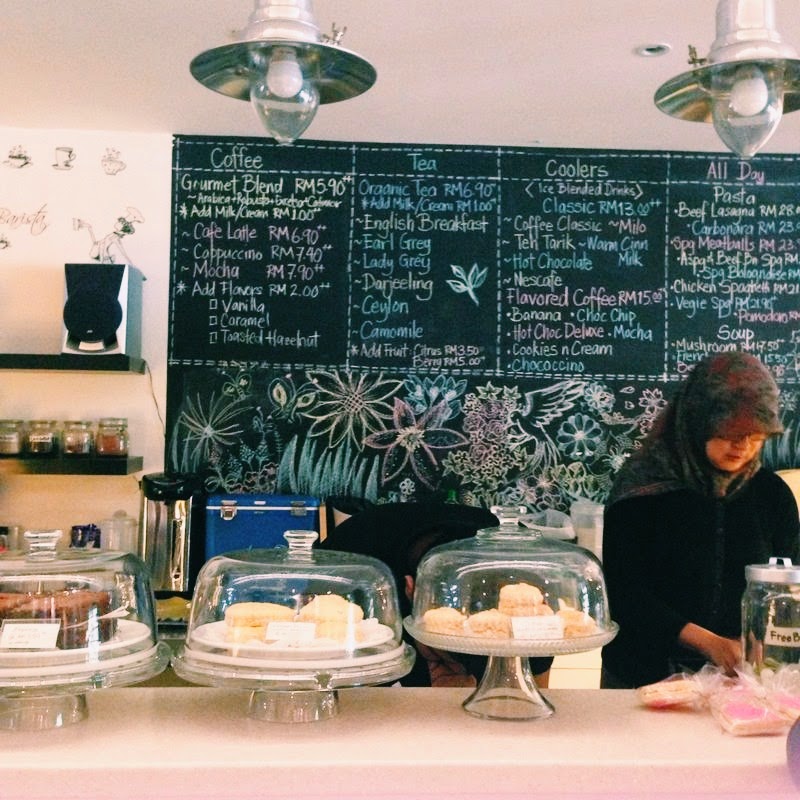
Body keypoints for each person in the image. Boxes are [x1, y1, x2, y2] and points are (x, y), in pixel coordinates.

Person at [600, 351, 800, 688]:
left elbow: (790, 584)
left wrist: (757, 640)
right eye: (730, 432)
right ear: (697, 421)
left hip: (741, 679)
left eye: (755, 435)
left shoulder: (771, 494)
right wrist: (708, 642)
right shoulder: (643, 491)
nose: (743, 446)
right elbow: (623, 593)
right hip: (642, 678)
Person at [319, 500, 553, 687]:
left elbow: (532, 705)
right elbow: (339, 697)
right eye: (454, 649)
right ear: (412, 591)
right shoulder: (352, 571)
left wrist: (454, 694)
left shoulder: (527, 604)